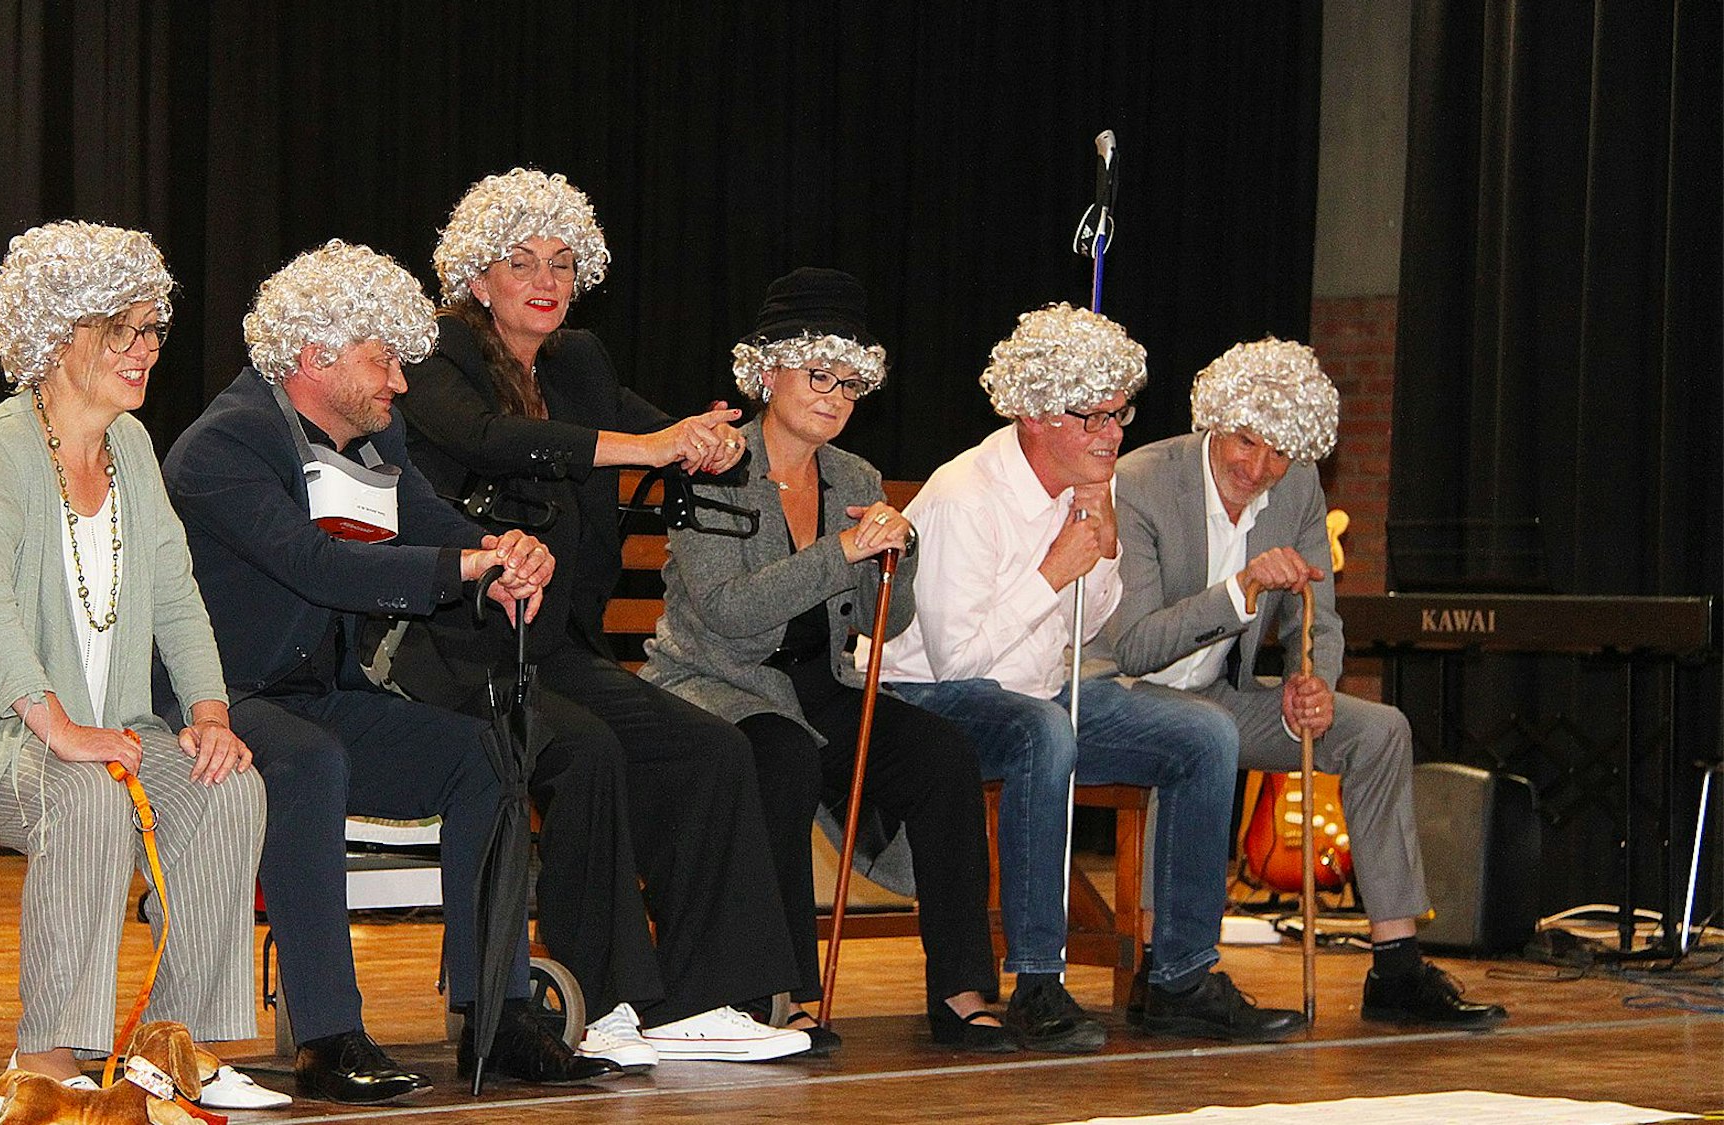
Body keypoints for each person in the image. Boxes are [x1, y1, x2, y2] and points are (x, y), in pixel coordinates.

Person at [160, 240, 612, 1102]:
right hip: (216, 702)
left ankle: (499, 1011)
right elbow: (319, 565)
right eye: (383, 362)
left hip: (318, 692)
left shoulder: (371, 435)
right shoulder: (225, 446)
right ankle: (327, 1035)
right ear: (316, 355)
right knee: (306, 759)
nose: (400, 384)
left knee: (490, 756)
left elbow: (426, 516)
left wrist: (502, 552)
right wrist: (462, 572)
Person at [396, 168, 809, 1068]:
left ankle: (701, 997)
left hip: (553, 645)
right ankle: (612, 998)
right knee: (590, 752)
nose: (545, 281)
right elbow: (490, 441)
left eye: (562, 263)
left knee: (712, 748)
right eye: (521, 263)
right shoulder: (435, 357)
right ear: (477, 279)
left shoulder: (578, 361)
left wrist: (708, 438)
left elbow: (651, 428)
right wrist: (650, 446)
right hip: (455, 651)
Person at [0, 220, 288, 1112]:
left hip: (107, 732)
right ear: (57, 337)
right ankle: (47, 1060)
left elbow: (177, 594)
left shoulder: (134, 451)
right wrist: (56, 723)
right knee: (86, 789)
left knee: (228, 786)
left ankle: (165, 1048)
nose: (144, 350)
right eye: (121, 331)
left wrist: (211, 713)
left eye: (152, 329)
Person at [879, 303, 1307, 1046]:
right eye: (1096, 417)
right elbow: (959, 661)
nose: (1115, 433)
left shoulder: (1078, 488)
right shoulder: (965, 495)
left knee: (1204, 732)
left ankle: (1179, 975)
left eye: (1121, 412)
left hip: (1044, 690)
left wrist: (1102, 551)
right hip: (931, 700)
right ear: (1040, 415)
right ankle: (1039, 982)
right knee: (1043, 730)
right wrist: (1053, 571)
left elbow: (1085, 628)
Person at [641, 268, 1009, 1053]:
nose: (836, 396)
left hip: (820, 685)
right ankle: (784, 994)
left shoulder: (856, 475)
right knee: (780, 757)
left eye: (850, 381)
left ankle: (962, 986)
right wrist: (842, 549)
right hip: (718, 683)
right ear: (767, 369)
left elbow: (892, 618)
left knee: (943, 755)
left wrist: (897, 552)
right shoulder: (714, 463)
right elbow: (729, 613)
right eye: (818, 374)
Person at [1102, 337, 1506, 1027]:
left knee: (1380, 730)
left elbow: (1317, 614)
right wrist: (1242, 589)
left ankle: (1397, 967)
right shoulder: (1141, 480)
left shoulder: (1295, 490)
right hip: (1125, 693)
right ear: (1215, 421)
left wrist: (1309, 681)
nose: (1260, 468)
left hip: (1223, 697)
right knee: (1195, 733)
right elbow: (1136, 645)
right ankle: (1166, 970)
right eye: (1248, 442)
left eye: (1280, 452)